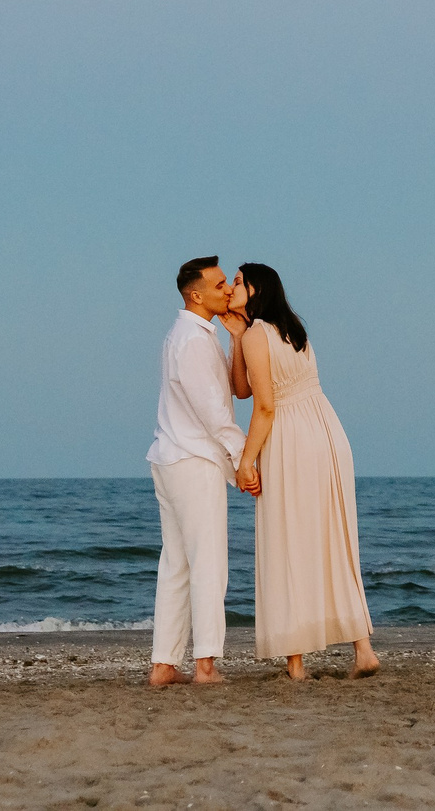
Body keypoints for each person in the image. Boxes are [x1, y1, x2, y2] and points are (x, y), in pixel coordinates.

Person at [228, 262, 380, 680]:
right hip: (327, 432)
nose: (231, 287)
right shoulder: (293, 329)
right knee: (334, 538)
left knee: (287, 540)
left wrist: (245, 461)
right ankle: (362, 650)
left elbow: (261, 405)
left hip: (291, 438)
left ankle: (296, 663)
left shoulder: (259, 334)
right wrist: (237, 336)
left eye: (238, 281)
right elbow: (243, 387)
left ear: (256, 288)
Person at [145, 255, 249, 686]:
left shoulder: (189, 335)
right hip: (193, 462)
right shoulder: (191, 338)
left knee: (177, 564)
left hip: (171, 458)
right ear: (196, 294)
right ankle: (205, 664)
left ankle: (164, 665)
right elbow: (215, 412)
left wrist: (236, 337)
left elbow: (224, 395)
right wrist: (246, 460)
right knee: (207, 564)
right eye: (220, 284)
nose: (227, 289)